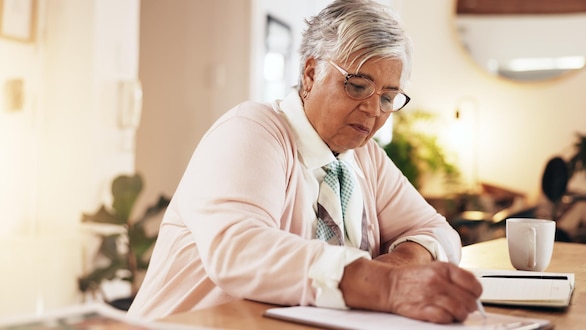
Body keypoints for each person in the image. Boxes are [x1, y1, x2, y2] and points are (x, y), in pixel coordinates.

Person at [128, 0, 482, 324]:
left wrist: (396, 269)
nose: (374, 110)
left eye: (389, 98)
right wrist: (382, 286)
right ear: (311, 73)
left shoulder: (365, 156)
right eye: (358, 86)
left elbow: (438, 232)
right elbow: (239, 251)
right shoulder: (252, 130)